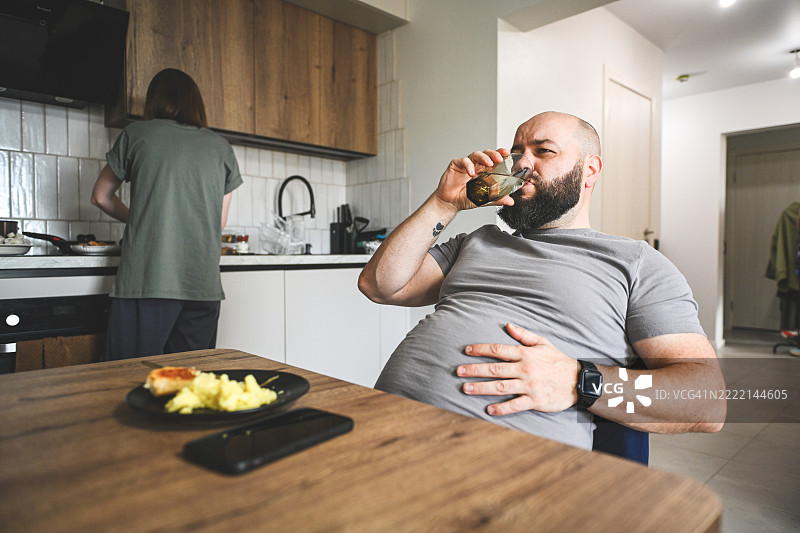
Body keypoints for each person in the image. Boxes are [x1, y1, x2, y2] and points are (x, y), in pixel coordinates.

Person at [358, 111, 726, 450]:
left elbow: (707, 403)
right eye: (517, 152)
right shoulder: (477, 241)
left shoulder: (636, 263)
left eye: (544, 151)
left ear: (590, 170)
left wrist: (580, 381)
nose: (522, 164)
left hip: (498, 463)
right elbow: (379, 285)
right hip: (381, 431)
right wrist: (444, 203)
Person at [91, 68, 243, 360]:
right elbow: (217, 222)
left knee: (127, 378)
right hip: (202, 286)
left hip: (147, 281)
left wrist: (142, 217)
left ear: (154, 100)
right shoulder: (220, 147)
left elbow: (100, 197)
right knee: (189, 382)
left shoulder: (136, 134)